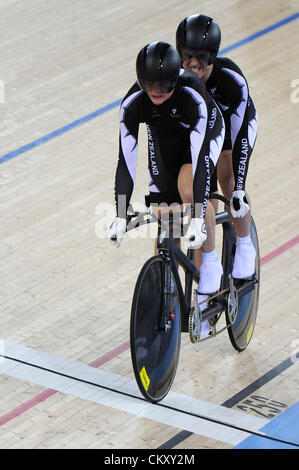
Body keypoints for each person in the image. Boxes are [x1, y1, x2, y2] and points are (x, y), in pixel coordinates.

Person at [107, 41, 225, 337]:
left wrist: (197, 213)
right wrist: (121, 213)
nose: (156, 92)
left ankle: (211, 265)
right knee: (164, 216)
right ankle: (165, 293)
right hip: (166, 142)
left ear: (175, 81)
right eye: (150, 86)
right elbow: (126, 162)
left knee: (188, 191)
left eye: (163, 86)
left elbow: (199, 160)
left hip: (203, 135)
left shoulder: (191, 95)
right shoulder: (133, 103)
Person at [176, 14, 258, 279]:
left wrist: (240, 189)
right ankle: (202, 290)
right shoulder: (175, 79)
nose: (192, 63)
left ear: (212, 55)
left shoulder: (230, 80)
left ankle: (245, 244)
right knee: (202, 206)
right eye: (187, 56)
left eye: (200, 56)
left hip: (234, 135)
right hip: (200, 137)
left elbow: (241, 137)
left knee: (228, 177)